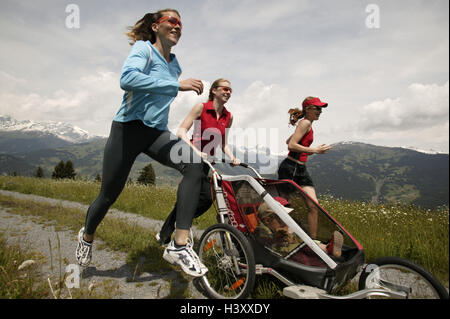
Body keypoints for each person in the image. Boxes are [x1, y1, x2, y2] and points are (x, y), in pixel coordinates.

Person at [76, 9, 209, 277]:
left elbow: (159, 97)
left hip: (155, 133)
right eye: (172, 21)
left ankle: (179, 244)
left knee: (195, 164)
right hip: (127, 130)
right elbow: (127, 80)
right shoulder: (143, 50)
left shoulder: (175, 64)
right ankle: (87, 236)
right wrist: (176, 86)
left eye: (181, 23)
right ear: (155, 26)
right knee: (108, 196)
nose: (177, 26)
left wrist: (173, 83)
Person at [157, 78, 240, 247]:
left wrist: (232, 158)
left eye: (230, 90)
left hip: (208, 162)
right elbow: (181, 131)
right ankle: (170, 233)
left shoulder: (228, 117)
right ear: (214, 91)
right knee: (190, 198)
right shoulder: (201, 107)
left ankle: (176, 224)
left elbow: (224, 143)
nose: (228, 92)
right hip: (192, 158)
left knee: (207, 198)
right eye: (224, 89)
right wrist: (195, 151)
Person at [278, 97, 332, 241]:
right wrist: (314, 150)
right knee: (284, 206)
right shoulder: (306, 123)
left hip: (301, 169)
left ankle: (312, 242)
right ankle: (284, 237)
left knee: (313, 205)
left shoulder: (307, 124)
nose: (320, 112)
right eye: (317, 108)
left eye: (321, 109)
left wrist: (305, 148)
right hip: (290, 168)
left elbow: (288, 141)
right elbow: (291, 146)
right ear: (308, 109)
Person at [255, 197, 343, 258]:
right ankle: (326, 249)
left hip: (289, 248)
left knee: (305, 241)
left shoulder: (273, 227)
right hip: (284, 253)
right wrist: (283, 235)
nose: (285, 221)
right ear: (267, 220)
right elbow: (272, 245)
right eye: (281, 218)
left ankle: (326, 247)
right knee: (303, 247)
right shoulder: (262, 230)